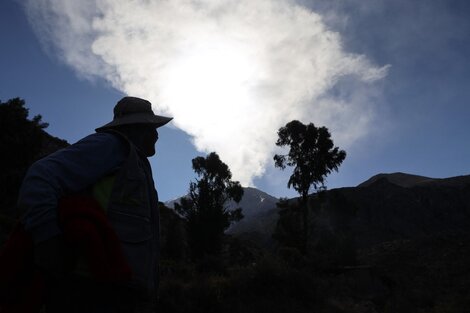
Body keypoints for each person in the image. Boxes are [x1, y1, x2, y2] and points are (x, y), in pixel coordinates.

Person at [16, 96, 172, 313]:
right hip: (92, 290)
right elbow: (40, 177)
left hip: (116, 290)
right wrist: (48, 239)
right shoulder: (110, 145)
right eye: (151, 127)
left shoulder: (133, 161)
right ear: (138, 127)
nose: (156, 134)